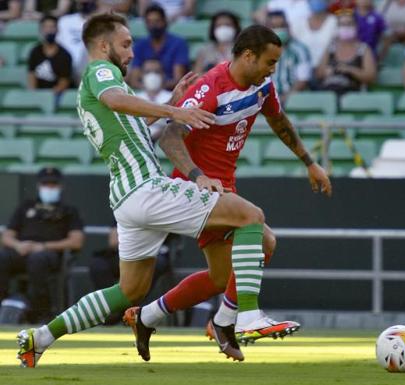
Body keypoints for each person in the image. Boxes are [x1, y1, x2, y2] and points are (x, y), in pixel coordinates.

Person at [15, 12, 271, 369]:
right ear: (103, 46)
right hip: (146, 187)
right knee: (250, 217)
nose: (132, 52)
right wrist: (174, 111)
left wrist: (171, 100)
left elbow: (130, 123)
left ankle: (40, 337)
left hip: (125, 198)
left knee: (128, 291)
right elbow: (116, 101)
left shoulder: (102, 85)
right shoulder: (101, 72)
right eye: (125, 43)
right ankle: (243, 317)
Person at [122, 24, 332, 363]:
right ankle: (237, 319)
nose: (272, 69)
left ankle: (146, 317)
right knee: (263, 239)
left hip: (224, 188)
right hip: (197, 189)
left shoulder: (262, 86)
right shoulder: (210, 88)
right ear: (248, 55)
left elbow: (279, 120)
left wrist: (309, 162)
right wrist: (198, 176)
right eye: (270, 61)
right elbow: (169, 138)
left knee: (221, 277)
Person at [0, 167, 84, 324]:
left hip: (49, 254)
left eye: (53, 184)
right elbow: (7, 236)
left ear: (60, 186)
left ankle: (40, 313)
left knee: (37, 260)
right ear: (39, 185)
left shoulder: (68, 211)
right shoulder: (26, 206)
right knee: (2, 257)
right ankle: (6, 306)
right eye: (46, 184)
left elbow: (76, 241)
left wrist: (44, 246)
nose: (49, 188)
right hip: (22, 250)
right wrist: (18, 245)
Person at [129, 3, 189, 90]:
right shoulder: (140, 45)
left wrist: (156, 89)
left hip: (170, 92)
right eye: (149, 22)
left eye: (157, 21)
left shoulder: (178, 44)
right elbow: (134, 80)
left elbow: (178, 79)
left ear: (164, 22)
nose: (153, 26)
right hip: (145, 94)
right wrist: (151, 91)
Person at [316, 10, 377, 95]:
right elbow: (319, 73)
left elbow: (371, 77)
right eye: (342, 24)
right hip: (328, 90)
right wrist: (328, 71)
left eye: (349, 24)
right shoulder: (331, 48)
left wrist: (350, 70)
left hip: (353, 93)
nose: (346, 27)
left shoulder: (364, 50)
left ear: (356, 26)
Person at [267, 10, 312, 101]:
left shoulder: (300, 49)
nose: (279, 30)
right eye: (274, 27)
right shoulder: (258, 51)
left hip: (292, 98)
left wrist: (285, 98)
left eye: (282, 26)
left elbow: (303, 80)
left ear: (288, 27)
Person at [56, 0, 100, 83]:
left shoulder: (102, 21)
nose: (84, 4)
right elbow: (57, 46)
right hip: (68, 66)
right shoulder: (64, 21)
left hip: (91, 66)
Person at [28, 15, 73, 96]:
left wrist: (50, 96)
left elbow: (64, 80)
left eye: (52, 27)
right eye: (45, 27)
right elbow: (32, 74)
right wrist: (33, 94)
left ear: (57, 30)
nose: (49, 30)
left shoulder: (65, 55)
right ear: (41, 30)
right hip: (38, 94)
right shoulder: (35, 51)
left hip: (56, 95)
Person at [291, 0, 338, 68]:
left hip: (325, 70)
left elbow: (335, 48)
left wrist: (322, 67)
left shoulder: (334, 22)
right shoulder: (299, 23)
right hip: (301, 71)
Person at [135, 59, 172, 141]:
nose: (152, 76)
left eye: (156, 72)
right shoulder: (134, 98)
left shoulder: (171, 97)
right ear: (141, 75)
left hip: (164, 140)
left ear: (163, 74)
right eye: (148, 72)